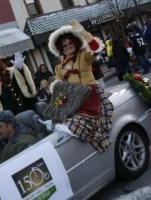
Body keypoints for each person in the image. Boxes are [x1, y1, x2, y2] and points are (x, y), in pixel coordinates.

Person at [48, 20, 114, 152]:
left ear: (75, 42)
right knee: (65, 121)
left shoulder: (83, 55)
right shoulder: (59, 66)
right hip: (73, 98)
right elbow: (59, 85)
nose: (67, 46)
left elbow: (95, 47)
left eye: (70, 43)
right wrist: (57, 109)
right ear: (61, 48)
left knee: (83, 122)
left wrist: (84, 33)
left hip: (89, 93)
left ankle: (97, 137)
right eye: (64, 45)